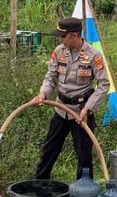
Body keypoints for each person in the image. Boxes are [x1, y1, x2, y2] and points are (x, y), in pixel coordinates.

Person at [29, 17, 110, 180]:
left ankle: (83, 191)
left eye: (63, 36)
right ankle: (39, 184)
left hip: (81, 113)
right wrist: (43, 93)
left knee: (84, 155)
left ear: (73, 36)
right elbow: (51, 76)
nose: (61, 40)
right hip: (61, 109)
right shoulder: (59, 51)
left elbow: (104, 85)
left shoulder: (94, 55)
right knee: (49, 149)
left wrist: (88, 108)